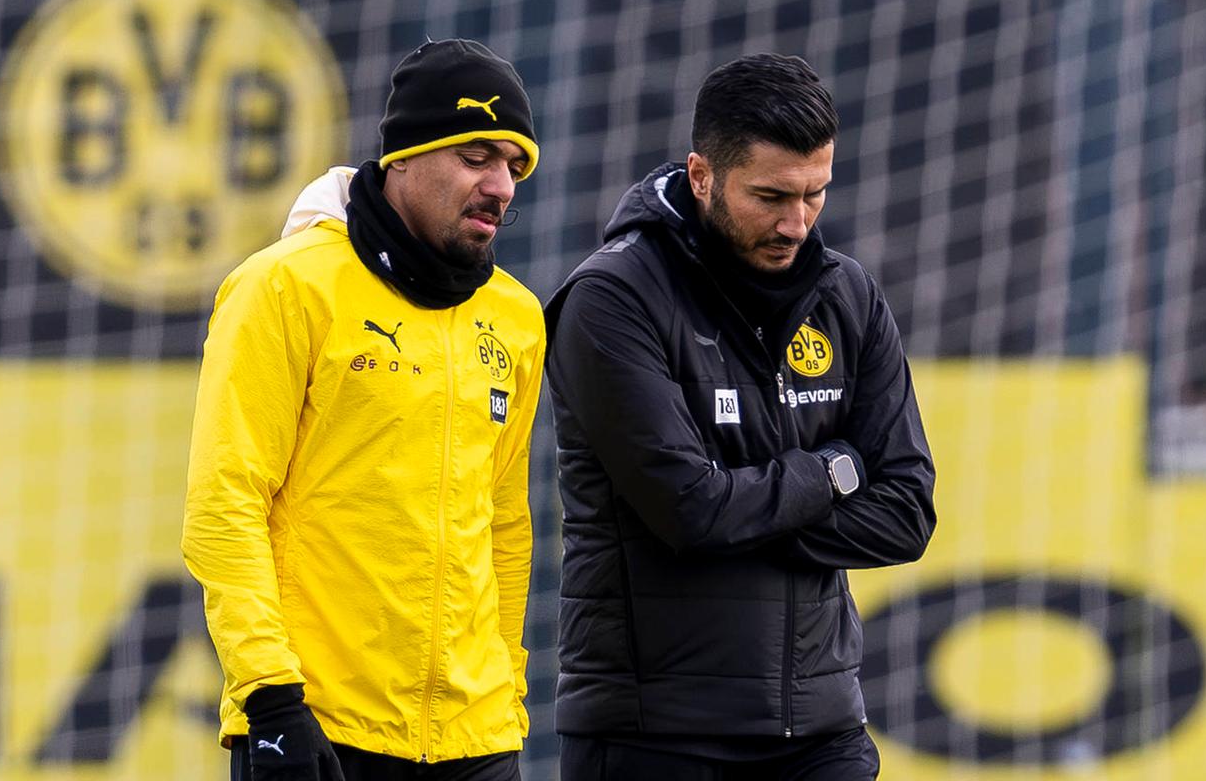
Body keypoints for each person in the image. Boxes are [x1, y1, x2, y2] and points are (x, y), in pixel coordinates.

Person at [545, 53, 936, 779]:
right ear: (701, 176)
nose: (797, 222)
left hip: (823, 732)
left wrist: (743, 508)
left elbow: (908, 513)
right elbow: (691, 512)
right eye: (771, 196)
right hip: (655, 736)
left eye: (816, 193)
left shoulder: (848, 295)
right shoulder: (611, 299)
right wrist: (834, 467)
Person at [183, 39, 544, 781]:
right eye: (477, 156)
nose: (501, 186)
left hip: (476, 741)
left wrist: (506, 691)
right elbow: (225, 505)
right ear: (405, 156)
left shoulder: (517, 317)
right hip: (318, 726)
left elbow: (504, 518)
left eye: (515, 166)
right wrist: (271, 697)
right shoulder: (284, 288)